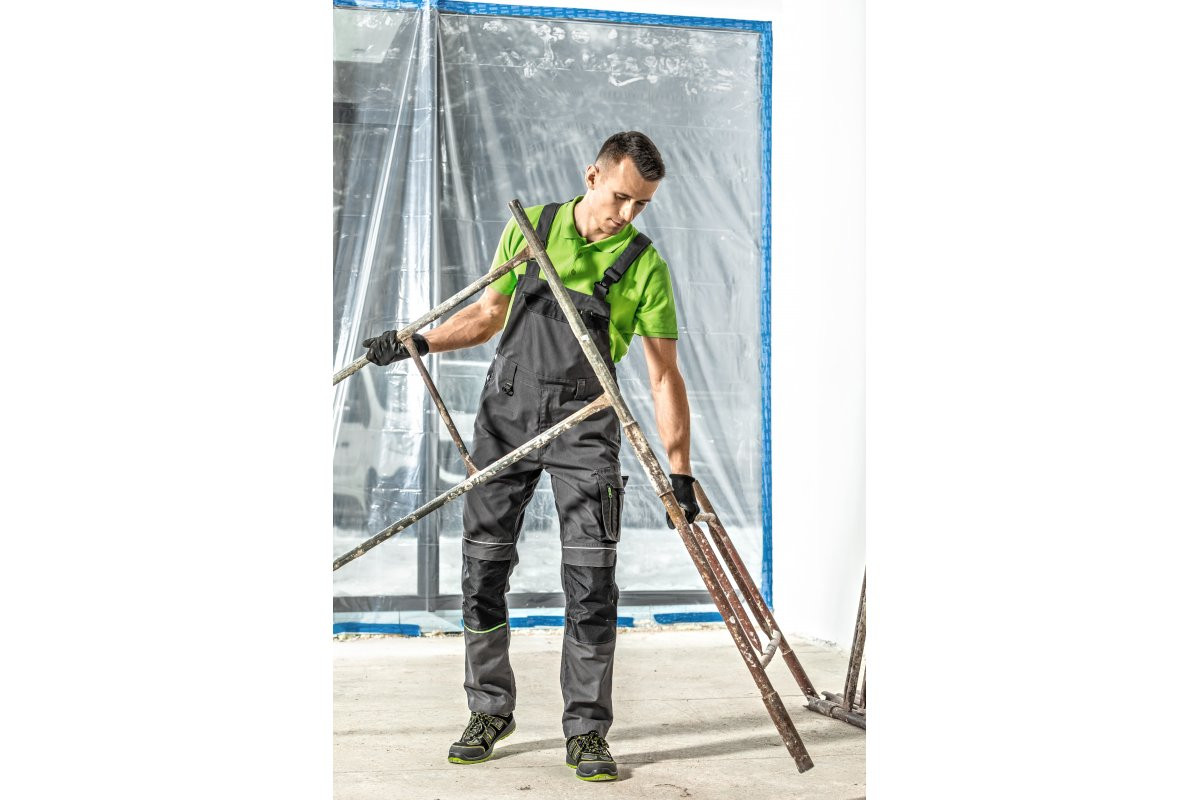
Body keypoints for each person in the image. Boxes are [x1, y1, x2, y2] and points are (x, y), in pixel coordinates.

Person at [362, 131, 699, 782]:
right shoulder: (533, 229)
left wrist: (679, 473)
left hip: (587, 424)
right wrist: (416, 343)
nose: (628, 215)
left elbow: (664, 378)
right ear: (592, 176)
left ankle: (587, 730)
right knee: (482, 570)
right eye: (621, 197)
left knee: (592, 582)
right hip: (507, 414)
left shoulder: (645, 265)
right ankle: (489, 710)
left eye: (642, 205)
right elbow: (488, 316)